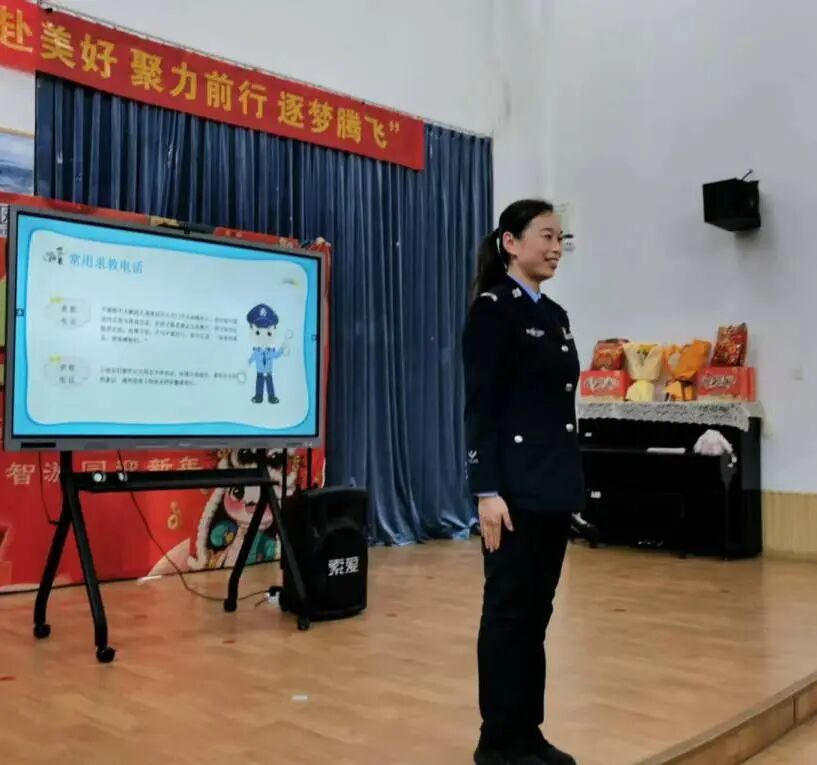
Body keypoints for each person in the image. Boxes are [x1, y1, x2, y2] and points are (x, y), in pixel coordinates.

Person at [462, 199, 584, 765]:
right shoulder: (493, 311)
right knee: (508, 612)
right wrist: (486, 491)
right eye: (546, 236)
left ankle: (526, 732)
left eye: (561, 238)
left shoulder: (554, 314)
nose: (556, 247)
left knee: (537, 615)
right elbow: (481, 409)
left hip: (551, 488)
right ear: (510, 243)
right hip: (510, 494)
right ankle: (497, 740)